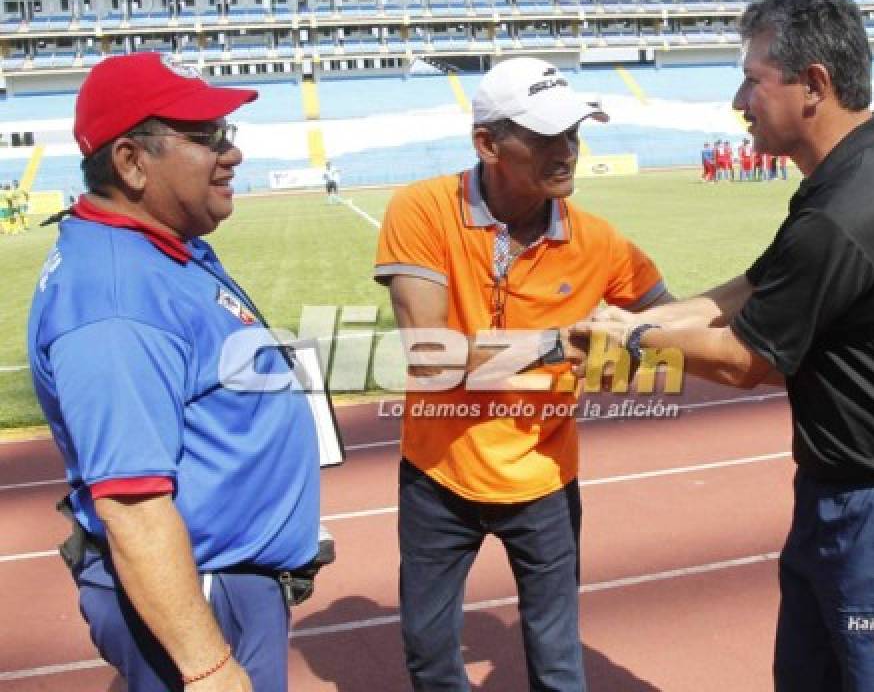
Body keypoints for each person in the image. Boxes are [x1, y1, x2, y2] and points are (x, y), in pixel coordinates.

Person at [573, 0, 874, 691]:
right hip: (844, 497)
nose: (739, 100)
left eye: (753, 78)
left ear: (814, 86)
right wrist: (628, 322)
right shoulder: (843, 179)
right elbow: (749, 289)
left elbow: (747, 360)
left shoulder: (850, 208)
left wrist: (637, 339)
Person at [27, 53, 323, 692]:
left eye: (228, 134)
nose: (232, 153)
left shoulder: (155, 247)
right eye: (207, 136)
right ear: (132, 162)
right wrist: (210, 666)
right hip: (203, 592)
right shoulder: (115, 304)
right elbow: (132, 504)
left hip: (216, 582)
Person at [374, 56, 669, 690]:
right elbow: (430, 358)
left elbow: (674, 323)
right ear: (488, 143)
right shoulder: (421, 209)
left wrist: (639, 348)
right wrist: (561, 345)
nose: (568, 151)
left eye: (574, 132)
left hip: (546, 478)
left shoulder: (601, 241)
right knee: (430, 656)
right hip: (437, 475)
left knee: (558, 658)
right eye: (544, 136)